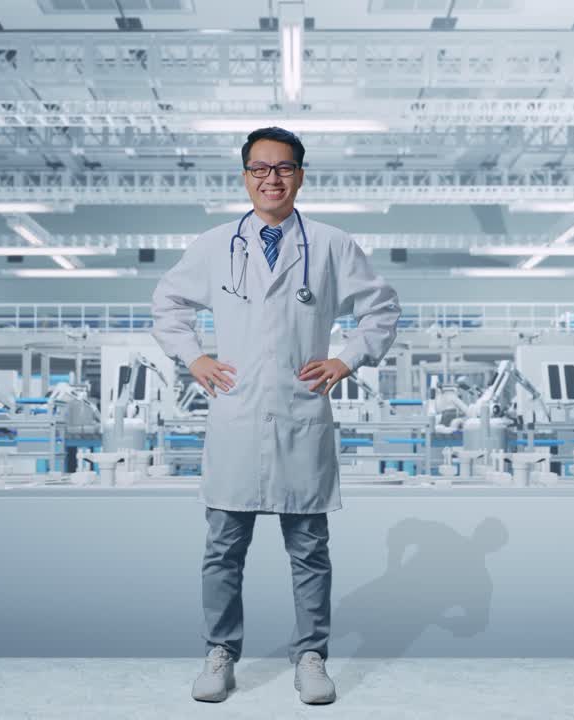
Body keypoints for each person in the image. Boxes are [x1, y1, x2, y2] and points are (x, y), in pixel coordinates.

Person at [151, 126, 401, 705]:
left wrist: (348, 358)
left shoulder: (332, 245)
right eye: (259, 169)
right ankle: (221, 653)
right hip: (238, 414)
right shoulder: (217, 244)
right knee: (223, 549)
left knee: (309, 548)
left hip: (299, 415)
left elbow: (381, 308)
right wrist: (194, 358)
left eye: (283, 168)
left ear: (300, 175)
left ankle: (310, 655)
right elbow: (168, 304)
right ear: (245, 177)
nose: (271, 178)